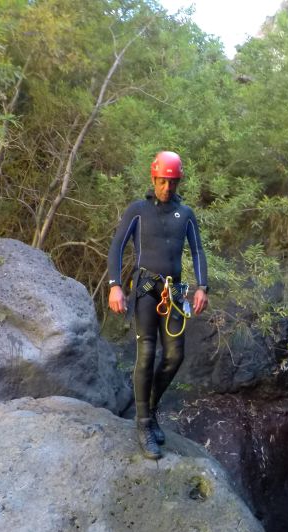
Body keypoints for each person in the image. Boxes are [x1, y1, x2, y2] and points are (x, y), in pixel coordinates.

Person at [107, 151, 209, 460]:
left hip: (174, 292)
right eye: (163, 181)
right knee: (147, 354)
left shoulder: (186, 214)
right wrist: (115, 286)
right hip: (146, 290)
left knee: (175, 355)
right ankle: (142, 425)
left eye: (173, 182)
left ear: (178, 183)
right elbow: (117, 246)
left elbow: (198, 250)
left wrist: (202, 286)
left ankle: (150, 408)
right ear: (154, 179)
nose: (167, 187)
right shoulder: (138, 210)